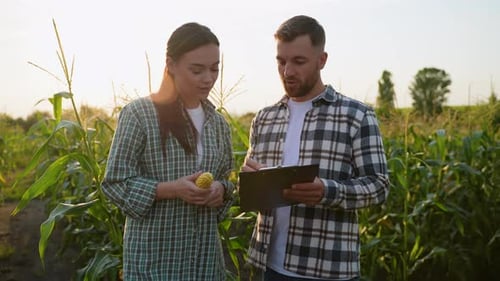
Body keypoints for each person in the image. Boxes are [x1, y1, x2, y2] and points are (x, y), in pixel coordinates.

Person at [241, 15, 389, 280]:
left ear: (322, 60)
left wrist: (326, 191)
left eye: (298, 62)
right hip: (269, 266)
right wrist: (252, 182)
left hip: (327, 269)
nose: (287, 71)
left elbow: (379, 186)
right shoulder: (264, 118)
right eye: (281, 61)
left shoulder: (356, 115)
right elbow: (256, 191)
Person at [102, 22, 234, 280]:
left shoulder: (218, 125)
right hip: (155, 264)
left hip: (204, 263)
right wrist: (172, 189)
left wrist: (220, 190)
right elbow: (114, 183)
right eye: (197, 70)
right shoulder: (140, 114)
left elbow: (226, 185)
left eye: (214, 69)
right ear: (171, 65)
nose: (208, 78)